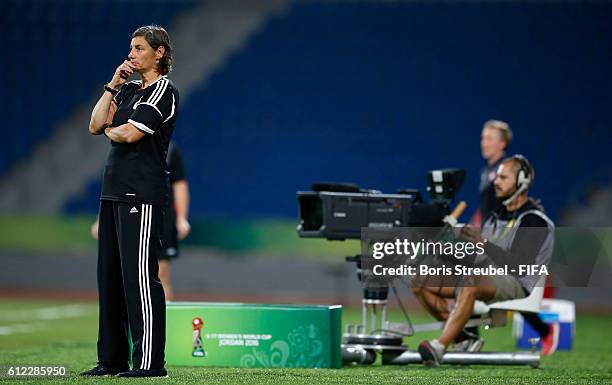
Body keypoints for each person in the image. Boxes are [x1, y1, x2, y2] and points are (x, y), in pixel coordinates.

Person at [81, 25, 178, 378]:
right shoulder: (129, 90)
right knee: (109, 278)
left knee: (139, 278)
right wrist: (112, 84)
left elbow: (128, 133)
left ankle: (151, 363)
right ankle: (111, 359)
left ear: (160, 53)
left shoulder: (164, 92)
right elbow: (95, 124)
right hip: (112, 193)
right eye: (131, 48)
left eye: (139, 48)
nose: (132, 55)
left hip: (142, 193)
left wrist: (111, 129)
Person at [414, 155, 558, 366]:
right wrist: (446, 248)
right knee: (421, 282)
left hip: (518, 283)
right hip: (486, 276)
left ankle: (439, 347)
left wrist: (482, 243)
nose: (496, 182)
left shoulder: (534, 220)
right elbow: (478, 258)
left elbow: (518, 266)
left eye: (503, 177)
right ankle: (463, 339)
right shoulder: (496, 216)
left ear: (522, 182)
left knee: (471, 281)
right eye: (496, 176)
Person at [90, 141, 191, 301]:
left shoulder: (168, 149)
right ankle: (132, 324)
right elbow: (112, 185)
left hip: (160, 216)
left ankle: (162, 324)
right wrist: (101, 219)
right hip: (129, 215)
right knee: (128, 274)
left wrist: (181, 218)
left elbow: (179, 184)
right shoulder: (121, 148)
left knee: (160, 274)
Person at [474, 120, 512, 226]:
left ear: (502, 143)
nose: (484, 144)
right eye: (483, 138)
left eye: (489, 139)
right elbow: (485, 206)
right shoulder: (485, 172)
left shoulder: (508, 170)